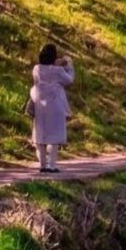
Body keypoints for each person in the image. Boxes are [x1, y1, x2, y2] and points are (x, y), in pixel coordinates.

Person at [29, 43, 74, 173]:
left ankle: (42, 165)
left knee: (41, 136)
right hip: (56, 106)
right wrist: (68, 64)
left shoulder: (36, 69)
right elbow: (69, 80)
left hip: (40, 106)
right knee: (55, 137)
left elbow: (45, 73)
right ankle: (52, 166)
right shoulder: (58, 71)